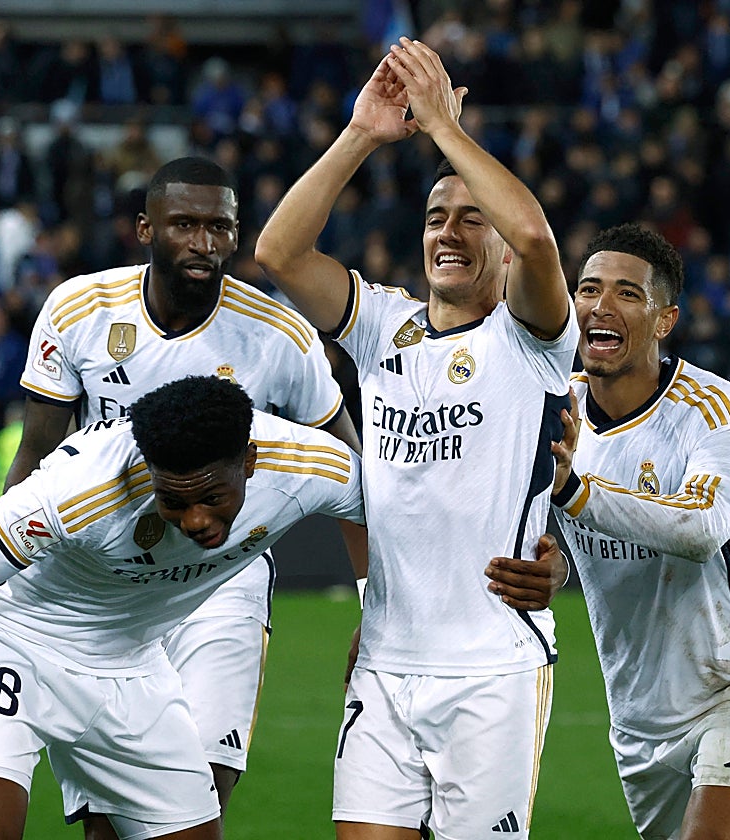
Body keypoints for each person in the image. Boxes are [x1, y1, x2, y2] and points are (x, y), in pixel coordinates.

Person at [0, 375, 365, 839]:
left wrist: (379, 614)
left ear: (249, 460)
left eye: (212, 498)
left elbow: (396, 514)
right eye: (174, 501)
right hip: (14, 640)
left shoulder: (306, 466)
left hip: (131, 666)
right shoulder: (83, 487)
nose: (196, 521)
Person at [256, 37, 576, 840]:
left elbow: (537, 239)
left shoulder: (530, 341)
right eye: (437, 217)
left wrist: (441, 128)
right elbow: (277, 252)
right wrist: (363, 133)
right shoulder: (383, 328)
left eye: (473, 220)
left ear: (498, 249)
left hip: (493, 666)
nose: (451, 232)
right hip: (386, 662)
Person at [3, 155, 367, 831]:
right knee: (107, 821)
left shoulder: (280, 335)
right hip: (101, 582)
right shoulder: (78, 310)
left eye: (219, 227)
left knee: (197, 797)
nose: (203, 242)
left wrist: (378, 607)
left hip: (220, 578)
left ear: (235, 235)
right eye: (184, 225)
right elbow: (35, 455)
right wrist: (10, 580)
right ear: (146, 228)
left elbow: (354, 474)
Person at [548, 223, 730, 839]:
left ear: (665, 320)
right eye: (588, 290)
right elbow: (553, 535)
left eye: (626, 294)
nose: (601, 306)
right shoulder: (552, 406)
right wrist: (548, 566)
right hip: (638, 721)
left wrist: (575, 492)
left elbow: (703, 528)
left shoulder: (718, 409)